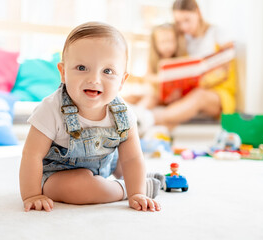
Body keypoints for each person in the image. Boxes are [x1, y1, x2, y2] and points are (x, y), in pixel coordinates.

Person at [19, 22, 162, 212]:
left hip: (105, 167)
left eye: (107, 71)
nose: (94, 79)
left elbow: (133, 159)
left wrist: (138, 194)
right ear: (63, 72)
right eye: (81, 67)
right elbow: (32, 155)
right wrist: (32, 195)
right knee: (79, 189)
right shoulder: (51, 109)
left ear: (122, 81)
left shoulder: (123, 114)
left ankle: (136, 186)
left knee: (126, 160)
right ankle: (123, 189)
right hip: (57, 176)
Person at [137, 0, 237, 130]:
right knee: (148, 96)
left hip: (217, 93)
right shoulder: (184, 39)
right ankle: (134, 116)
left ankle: (147, 119)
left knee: (199, 95)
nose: (184, 26)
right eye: (179, 22)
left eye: (187, 20)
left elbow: (225, 69)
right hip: (190, 91)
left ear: (198, 13)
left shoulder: (217, 33)